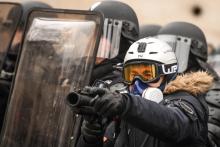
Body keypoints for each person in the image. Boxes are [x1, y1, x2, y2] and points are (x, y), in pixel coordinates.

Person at [76, 37, 213, 147]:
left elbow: (175, 125)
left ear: (168, 75)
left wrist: (127, 104)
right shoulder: (124, 113)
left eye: (147, 74)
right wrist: (91, 137)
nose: (137, 82)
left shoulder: (188, 101)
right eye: (131, 74)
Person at [157, 21, 220, 147]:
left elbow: (207, 139)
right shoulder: (159, 84)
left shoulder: (214, 92)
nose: (168, 57)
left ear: (194, 53)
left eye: (175, 50)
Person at [89, 1, 139, 85]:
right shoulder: (83, 72)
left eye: (98, 35)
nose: (90, 41)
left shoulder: (125, 83)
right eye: (89, 34)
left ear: (120, 43)